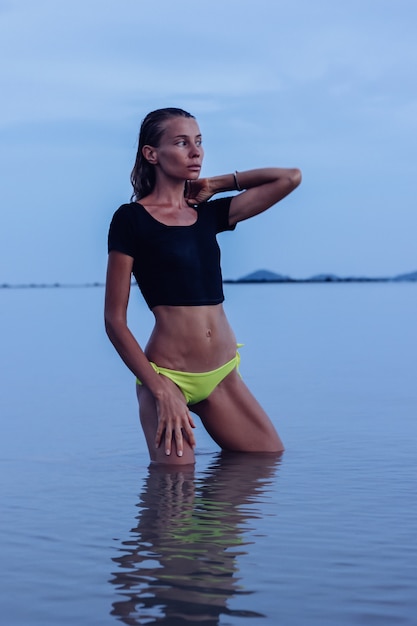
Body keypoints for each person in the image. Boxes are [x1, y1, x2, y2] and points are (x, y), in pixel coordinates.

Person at [105, 107, 301, 465]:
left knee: (266, 461)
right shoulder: (130, 220)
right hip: (168, 377)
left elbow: (290, 178)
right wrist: (158, 388)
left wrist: (217, 184)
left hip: (223, 374)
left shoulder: (208, 214)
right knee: (172, 496)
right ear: (152, 154)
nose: (195, 152)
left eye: (198, 142)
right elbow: (114, 321)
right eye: (181, 143)